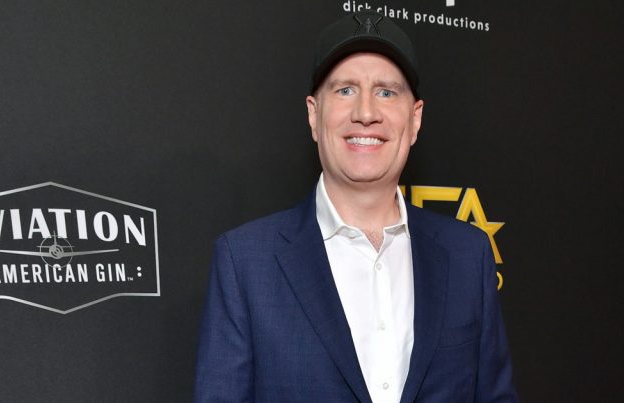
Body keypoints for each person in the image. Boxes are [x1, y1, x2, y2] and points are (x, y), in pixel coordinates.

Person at [194, 11, 517, 403]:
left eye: (386, 92)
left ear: (415, 119)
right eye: (345, 90)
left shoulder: (468, 254)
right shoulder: (245, 262)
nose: (366, 113)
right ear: (314, 114)